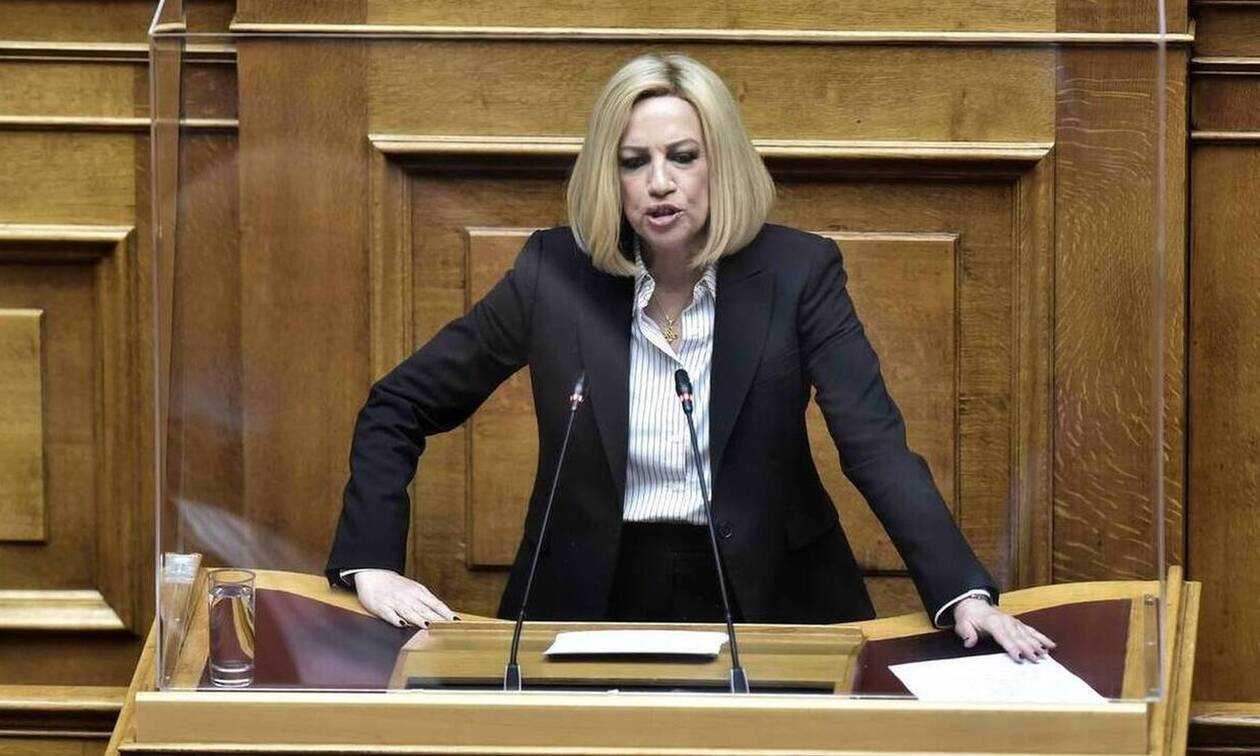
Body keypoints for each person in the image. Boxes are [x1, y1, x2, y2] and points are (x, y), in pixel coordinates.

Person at [326, 52, 1055, 662]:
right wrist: (373, 563)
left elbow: (875, 445)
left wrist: (963, 592)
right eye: (634, 162)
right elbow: (400, 404)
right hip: (592, 593)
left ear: (721, 163)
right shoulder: (554, 275)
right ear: (609, 175)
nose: (659, 183)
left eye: (682, 157)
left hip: (773, 593)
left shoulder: (799, 273)